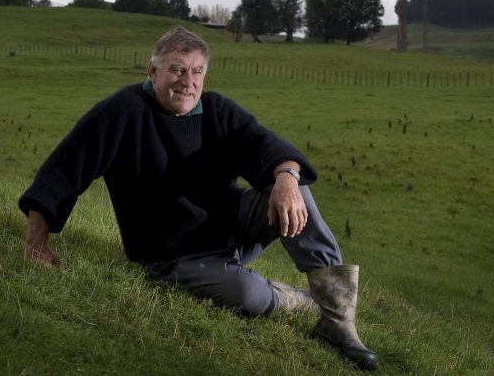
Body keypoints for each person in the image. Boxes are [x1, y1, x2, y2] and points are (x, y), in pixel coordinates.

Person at [20, 26, 377, 370]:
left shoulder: (216, 109)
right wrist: (37, 241)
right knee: (249, 296)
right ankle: (296, 300)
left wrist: (286, 175)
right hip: (173, 254)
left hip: (232, 228)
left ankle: (337, 319)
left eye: (197, 71)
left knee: (291, 182)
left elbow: (263, 143)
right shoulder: (123, 111)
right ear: (153, 70)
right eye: (177, 69)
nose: (187, 81)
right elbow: (64, 169)